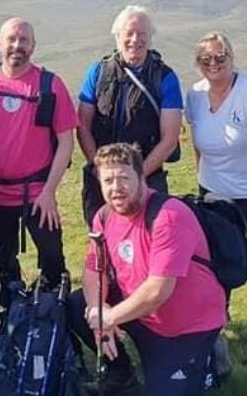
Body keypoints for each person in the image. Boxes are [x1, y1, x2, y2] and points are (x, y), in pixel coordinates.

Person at [67, 143, 226, 396]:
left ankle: (210, 358)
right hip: (140, 313)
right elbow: (94, 270)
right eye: (108, 180)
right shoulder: (104, 215)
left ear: (142, 177)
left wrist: (111, 317)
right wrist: (99, 314)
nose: (116, 188)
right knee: (78, 305)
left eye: (123, 178)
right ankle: (120, 376)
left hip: (184, 326)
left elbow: (157, 291)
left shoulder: (169, 216)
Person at [0, 17, 77, 333]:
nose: (18, 46)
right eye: (12, 39)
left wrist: (49, 191)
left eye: (24, 40)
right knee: (3, 261)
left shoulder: (50, 86)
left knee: (53, 257)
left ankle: (55, 318)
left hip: (37, 194)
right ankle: (7, 317)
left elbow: (67, 141)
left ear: (33, 45)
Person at [77, 5, 183, 225]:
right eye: (129, 33)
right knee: (102, 241)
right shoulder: (97, 73)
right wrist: (101, 170)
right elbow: (83, 126)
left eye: (142, 34)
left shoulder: (165, 78)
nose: (135, 39)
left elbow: (170, 139)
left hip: (147, 179)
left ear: (150, 38)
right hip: (101, 181)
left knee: (146, 239)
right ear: (118, 37)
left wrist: (136, 176)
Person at [185, 32, 247, 216]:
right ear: (198, 63)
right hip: (209, 192)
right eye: (205, 59)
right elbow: (196, 141)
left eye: (220, 58)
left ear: (231, 57)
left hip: (243, 194)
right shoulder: (195, 94)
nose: (213, 64)